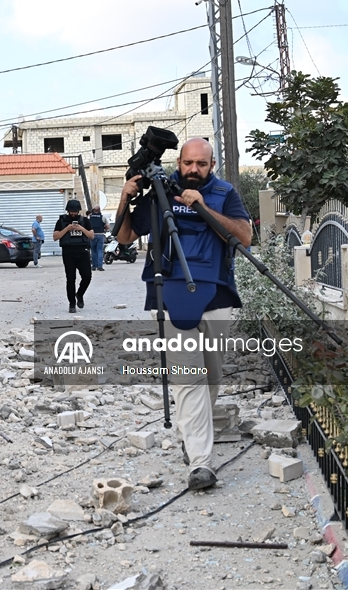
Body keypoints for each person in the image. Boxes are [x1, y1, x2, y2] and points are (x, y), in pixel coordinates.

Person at [114, 139, 251, 490]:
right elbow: (126, 238)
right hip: (172, 295)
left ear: (213, 164)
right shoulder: (158, 190)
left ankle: (192, 432)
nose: (193, 170)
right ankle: (201, 462)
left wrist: (205, 207)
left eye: (201, 164)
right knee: (188, 378)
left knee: (212, 377)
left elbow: (245, 237)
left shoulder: (224, 193)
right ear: (179, 161)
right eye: (188, 163)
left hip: (216, 294)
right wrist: (126, 197)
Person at [53, 199, 94, 313]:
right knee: (70, 279)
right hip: (68, 252)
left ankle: (79, 294)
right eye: (71, 211)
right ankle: (72, 304)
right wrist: (67, 228)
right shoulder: (61, 221)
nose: (73, 213)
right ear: (68, 210)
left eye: (75, 211)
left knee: (87, 276)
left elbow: (91, 235)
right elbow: (55, 237)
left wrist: (81, 228)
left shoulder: (84, 221)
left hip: (83, 251)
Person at [88, 206, 108, 271]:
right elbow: (107, 226)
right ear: (99, 210)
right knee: (100, 251)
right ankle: (100, 266)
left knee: (93, 251)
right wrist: (105, 230)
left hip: (92, 235)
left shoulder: (89, 217)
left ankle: (94, 266)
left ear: (93, 210)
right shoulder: (103, 217)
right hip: (100, 235)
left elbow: (86, 225)